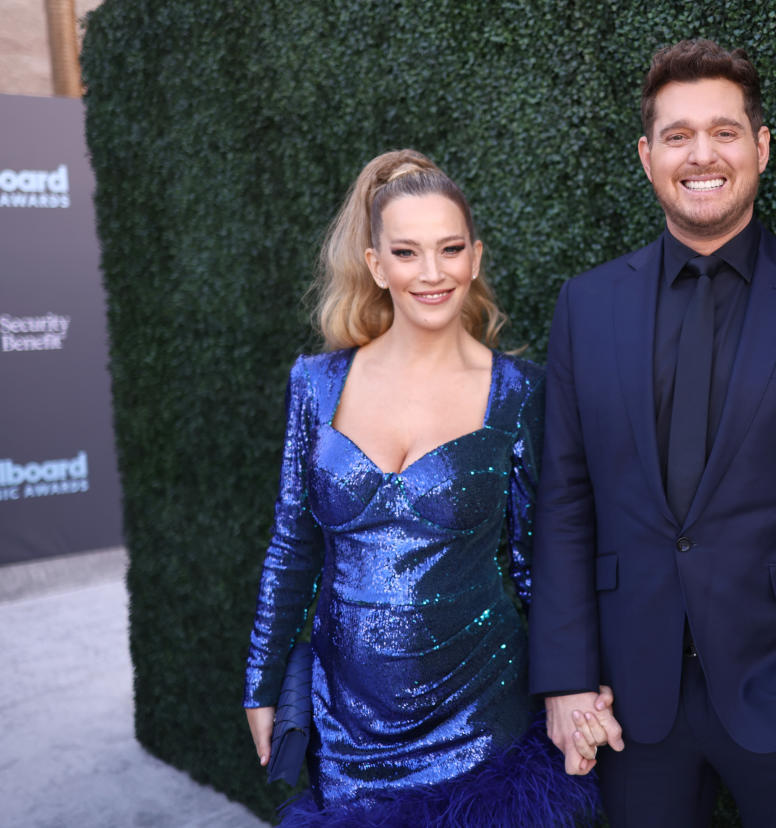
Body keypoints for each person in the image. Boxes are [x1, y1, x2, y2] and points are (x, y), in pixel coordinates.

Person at [529, 39, 776, 827]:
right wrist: (566, 680)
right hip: (630, 704)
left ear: (761, 147)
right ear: (646, 157)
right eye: (677, 135)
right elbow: (566, 501)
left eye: (724, 131)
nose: (700, 155)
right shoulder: (587, 306)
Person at [242, 149, 604, 827]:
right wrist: (260, 684)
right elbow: (293, 545)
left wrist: (575, 684)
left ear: (475, 257)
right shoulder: (315, 385)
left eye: (450, 249)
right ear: (376, 265)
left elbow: (541, 561)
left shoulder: (519, 391)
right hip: (348, 729)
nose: (432, 273)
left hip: (482, 720)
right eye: (407, 253)